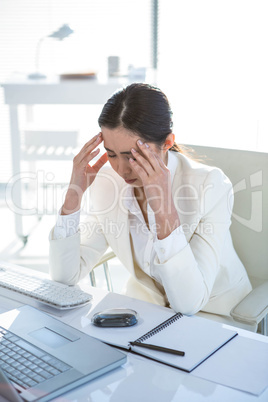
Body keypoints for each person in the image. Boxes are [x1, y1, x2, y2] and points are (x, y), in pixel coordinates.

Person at [49, 83, 252, 316]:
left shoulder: (210, 185)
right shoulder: (108, 182)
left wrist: (163, 206)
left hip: (214, 313)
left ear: (166, 143)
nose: (121, 169)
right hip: (147, 311)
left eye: (133, 156)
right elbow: (64, 278)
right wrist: (74, 194)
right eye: (112, 154)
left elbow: (188, 303)